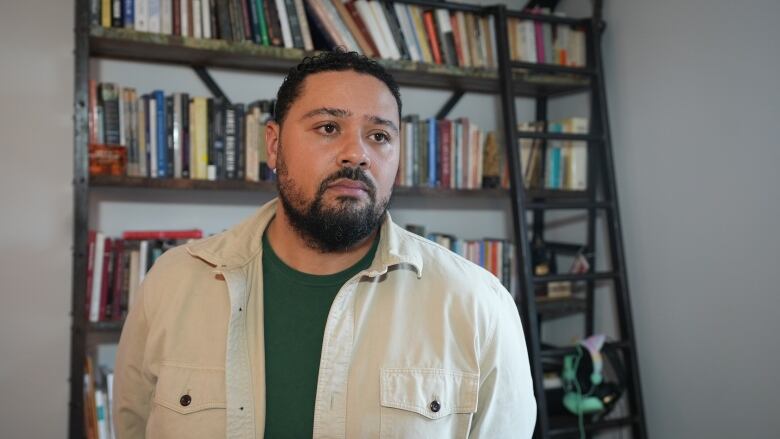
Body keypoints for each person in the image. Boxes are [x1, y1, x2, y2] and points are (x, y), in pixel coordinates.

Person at [113, 49, 536, 438]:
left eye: (380, 136)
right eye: (329, 127)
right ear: (274, 145)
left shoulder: (479, 305)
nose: (357, 154)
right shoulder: (172, 284)